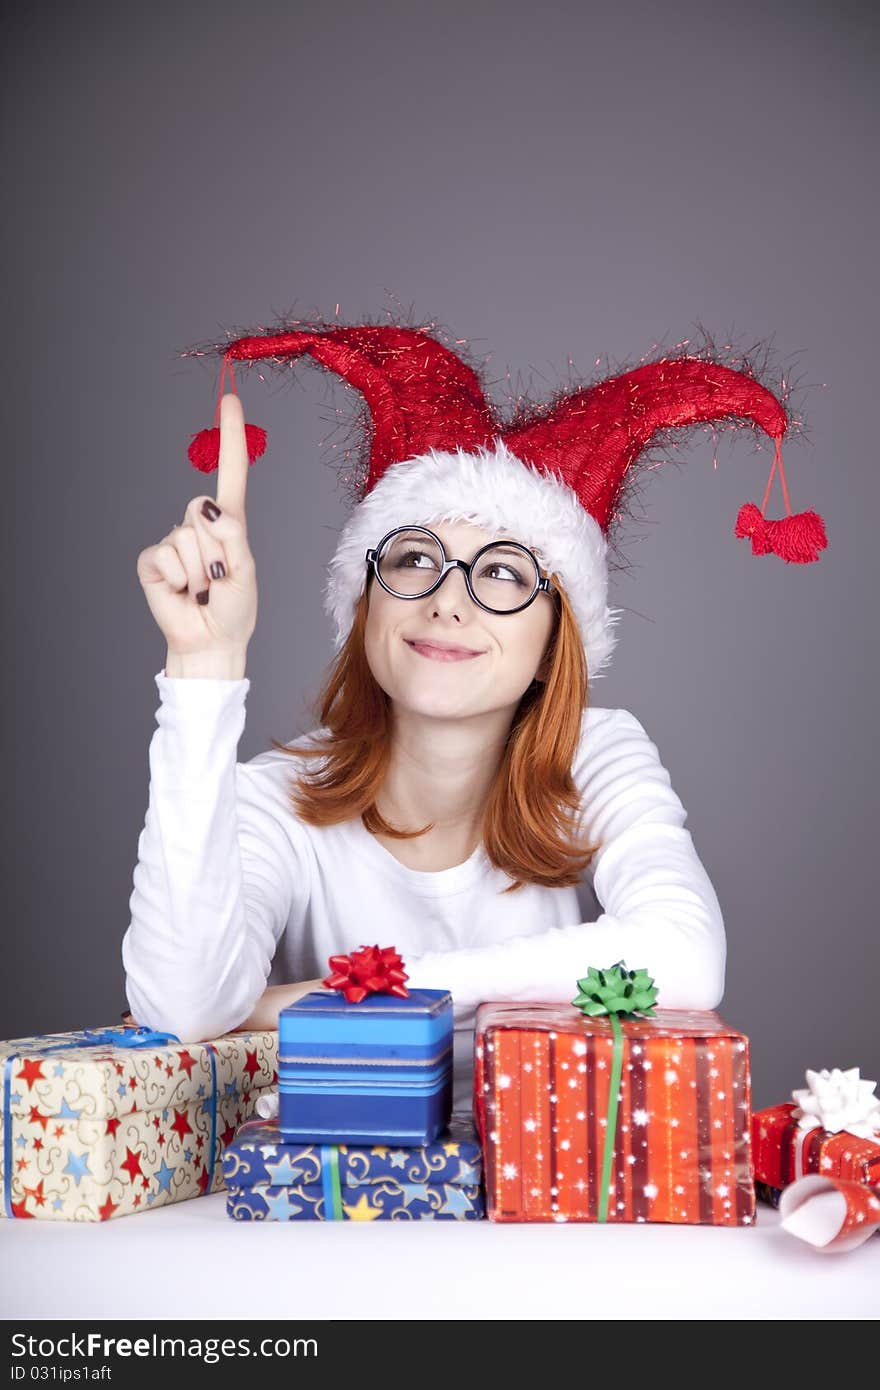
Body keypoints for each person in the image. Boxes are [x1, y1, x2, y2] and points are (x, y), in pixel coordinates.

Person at [123, 321, 821, 1113]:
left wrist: (310, 999)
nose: (449, 603)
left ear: (557, 634)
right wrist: (203, 667)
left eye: (502, 573)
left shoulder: (598, 752)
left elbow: (687, 960)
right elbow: (181, 1009)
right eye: (415, 558)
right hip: (336, 1211)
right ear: (364, 600)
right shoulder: (279, 795)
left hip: (550, 1214)